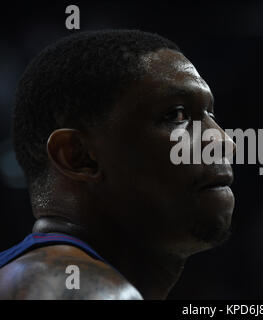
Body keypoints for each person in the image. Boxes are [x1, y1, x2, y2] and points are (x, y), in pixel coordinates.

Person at [0, 29, 236, 299]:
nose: (224, 141)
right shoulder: (81, 290)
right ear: (79, 156)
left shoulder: (35, 278)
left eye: (210, 115)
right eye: (176, 115)